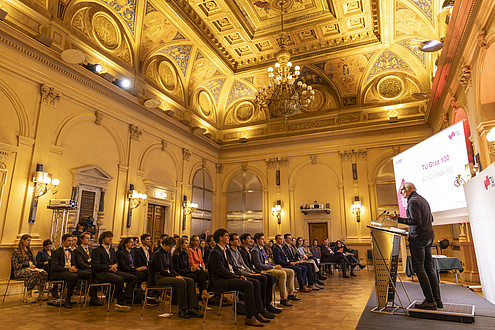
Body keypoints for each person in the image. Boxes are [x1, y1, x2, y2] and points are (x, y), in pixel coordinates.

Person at [387, 182, 442, 310]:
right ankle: (437, 300)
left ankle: (430, 301)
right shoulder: (423, 199)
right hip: (429, 237)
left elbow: (416, 221)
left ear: (410, 189)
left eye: (402, 190)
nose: (401, 192)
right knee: (429, 268)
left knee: (419, 268)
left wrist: (398, 219)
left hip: (418, 238)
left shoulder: (412, 201)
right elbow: (431, 219)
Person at [208, 228, 270, 327]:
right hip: (220, 281)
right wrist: (237, 277)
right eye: (226, 236)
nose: (228, 238)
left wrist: (239, 275)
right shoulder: (215, 252)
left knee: (256, 282)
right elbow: (221, 271)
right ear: (220, 238)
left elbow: (233, 266)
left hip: (229, 277)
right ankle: (250, 317)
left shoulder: (225, 250)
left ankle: (258, 311)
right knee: (248, 285)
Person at [227, 233, 280, 317]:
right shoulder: (231, 252)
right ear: (231, 242)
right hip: (240, 274)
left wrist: (253, 272)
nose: (239, 241)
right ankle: (261, 307)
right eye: (236, 239)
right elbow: (237, 268)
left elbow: (245, 265)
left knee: (269, 278)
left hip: (247, 272)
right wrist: (251, 273)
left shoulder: (238, 251)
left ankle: (266, 304)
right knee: (262, 279)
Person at [152, 237, 202, 319]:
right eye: (169, 246)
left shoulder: (168, 253)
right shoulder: (157, 254)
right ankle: (182, 309)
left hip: (168, 276)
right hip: (160, 278)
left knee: (190, 280)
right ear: (164, 244)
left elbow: (171, 269)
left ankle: (192, 308)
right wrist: (176, 276)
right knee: (180, 282)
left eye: (172, 246)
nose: (171, 248)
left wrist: (178, 276)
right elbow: (161, 270)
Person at [92, 231, 137, 312]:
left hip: (112, 271)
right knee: (119, 279)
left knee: (132, 278)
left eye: (111, 237)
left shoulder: (112, 250)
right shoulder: (97, 250)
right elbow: (96, 265)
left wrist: (115, 265)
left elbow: (116, 261)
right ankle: (120, 301)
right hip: (102, 273)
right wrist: (109, 267)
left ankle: (126, 298)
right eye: (108, 237)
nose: (110, 239)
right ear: (103, 239)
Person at [250, 233, 299, 307]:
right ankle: (283, 298)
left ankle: (290, 294)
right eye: (262, 239)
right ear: (257, 240)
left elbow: (268, 262)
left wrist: (274, 265)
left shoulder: (262, 248)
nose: (264, 241)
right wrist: (273, 267)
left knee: (291, 271)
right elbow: (258, 265)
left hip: (269, 267)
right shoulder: (255, 250)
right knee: (282, 273)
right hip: (264, 270)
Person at [173, 237, 210, 310]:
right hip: (181, 273)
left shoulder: (185, 254)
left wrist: (191, 269)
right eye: (186, 243)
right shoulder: (176, 256)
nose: (187, 245)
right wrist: (190, 270)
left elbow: (187, 267)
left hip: (186, 272)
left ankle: (201, 295)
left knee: (202, 274)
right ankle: (202, 295)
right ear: (181, 245)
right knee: (198, 277)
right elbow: (177, 270)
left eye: (187, 243)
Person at [11, 234, 48, 303]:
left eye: (30, 240)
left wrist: (33, 265)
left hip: (30, 269)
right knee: (32, 273)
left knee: (43, 273)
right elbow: (15, 265)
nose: (29, 242)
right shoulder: (17, 252)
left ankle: (41, 293)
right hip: (19, 271)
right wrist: (27, 264)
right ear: (22, 240)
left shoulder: (30, 250)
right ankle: (28, 295)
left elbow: (35, 262)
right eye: (28, 240)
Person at [50, 233, 81, 308]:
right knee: (74, 277)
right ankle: (68, 298)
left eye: (72, 240)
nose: (71, 242)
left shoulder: (73, 252)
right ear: (63, 241)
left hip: (70, 271)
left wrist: (74, 267)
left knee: (86, 274)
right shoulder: (56, 252)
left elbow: (75, 263)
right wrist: (68, 269)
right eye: (69, 241)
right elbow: (55, 267)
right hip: (58, 272)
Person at [73, 232, 103, 306]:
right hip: (82, 269)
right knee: (92, 274)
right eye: (87, 238)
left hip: (91, 268)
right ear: (81, 239)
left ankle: (104, 293)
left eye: (90, 238)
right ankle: (93, 296)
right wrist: (90, 266)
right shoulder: (77, 250)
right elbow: (80, 263)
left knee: (100, 272)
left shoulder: (91, 249)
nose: (89, 240)